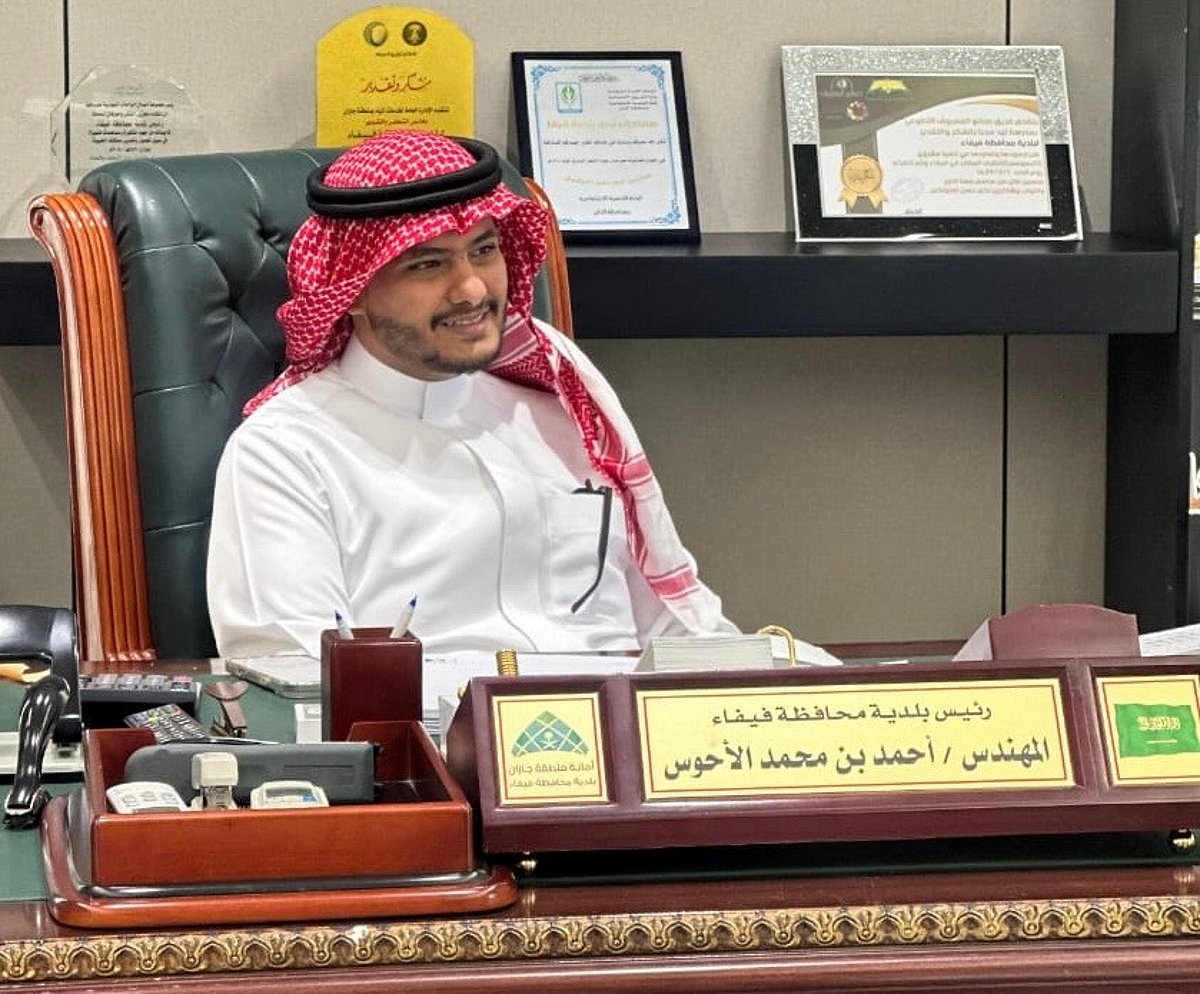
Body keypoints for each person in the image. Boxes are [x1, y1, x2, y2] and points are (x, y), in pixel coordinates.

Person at [206, 129, 736, 658]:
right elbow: (296, 673)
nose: (473, 289)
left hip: (623, 703)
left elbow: (674, 620)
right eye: (428, 264)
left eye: (483, 251)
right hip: (434, 711)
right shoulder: (287, 452)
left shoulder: (563, 395)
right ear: (352, 290)